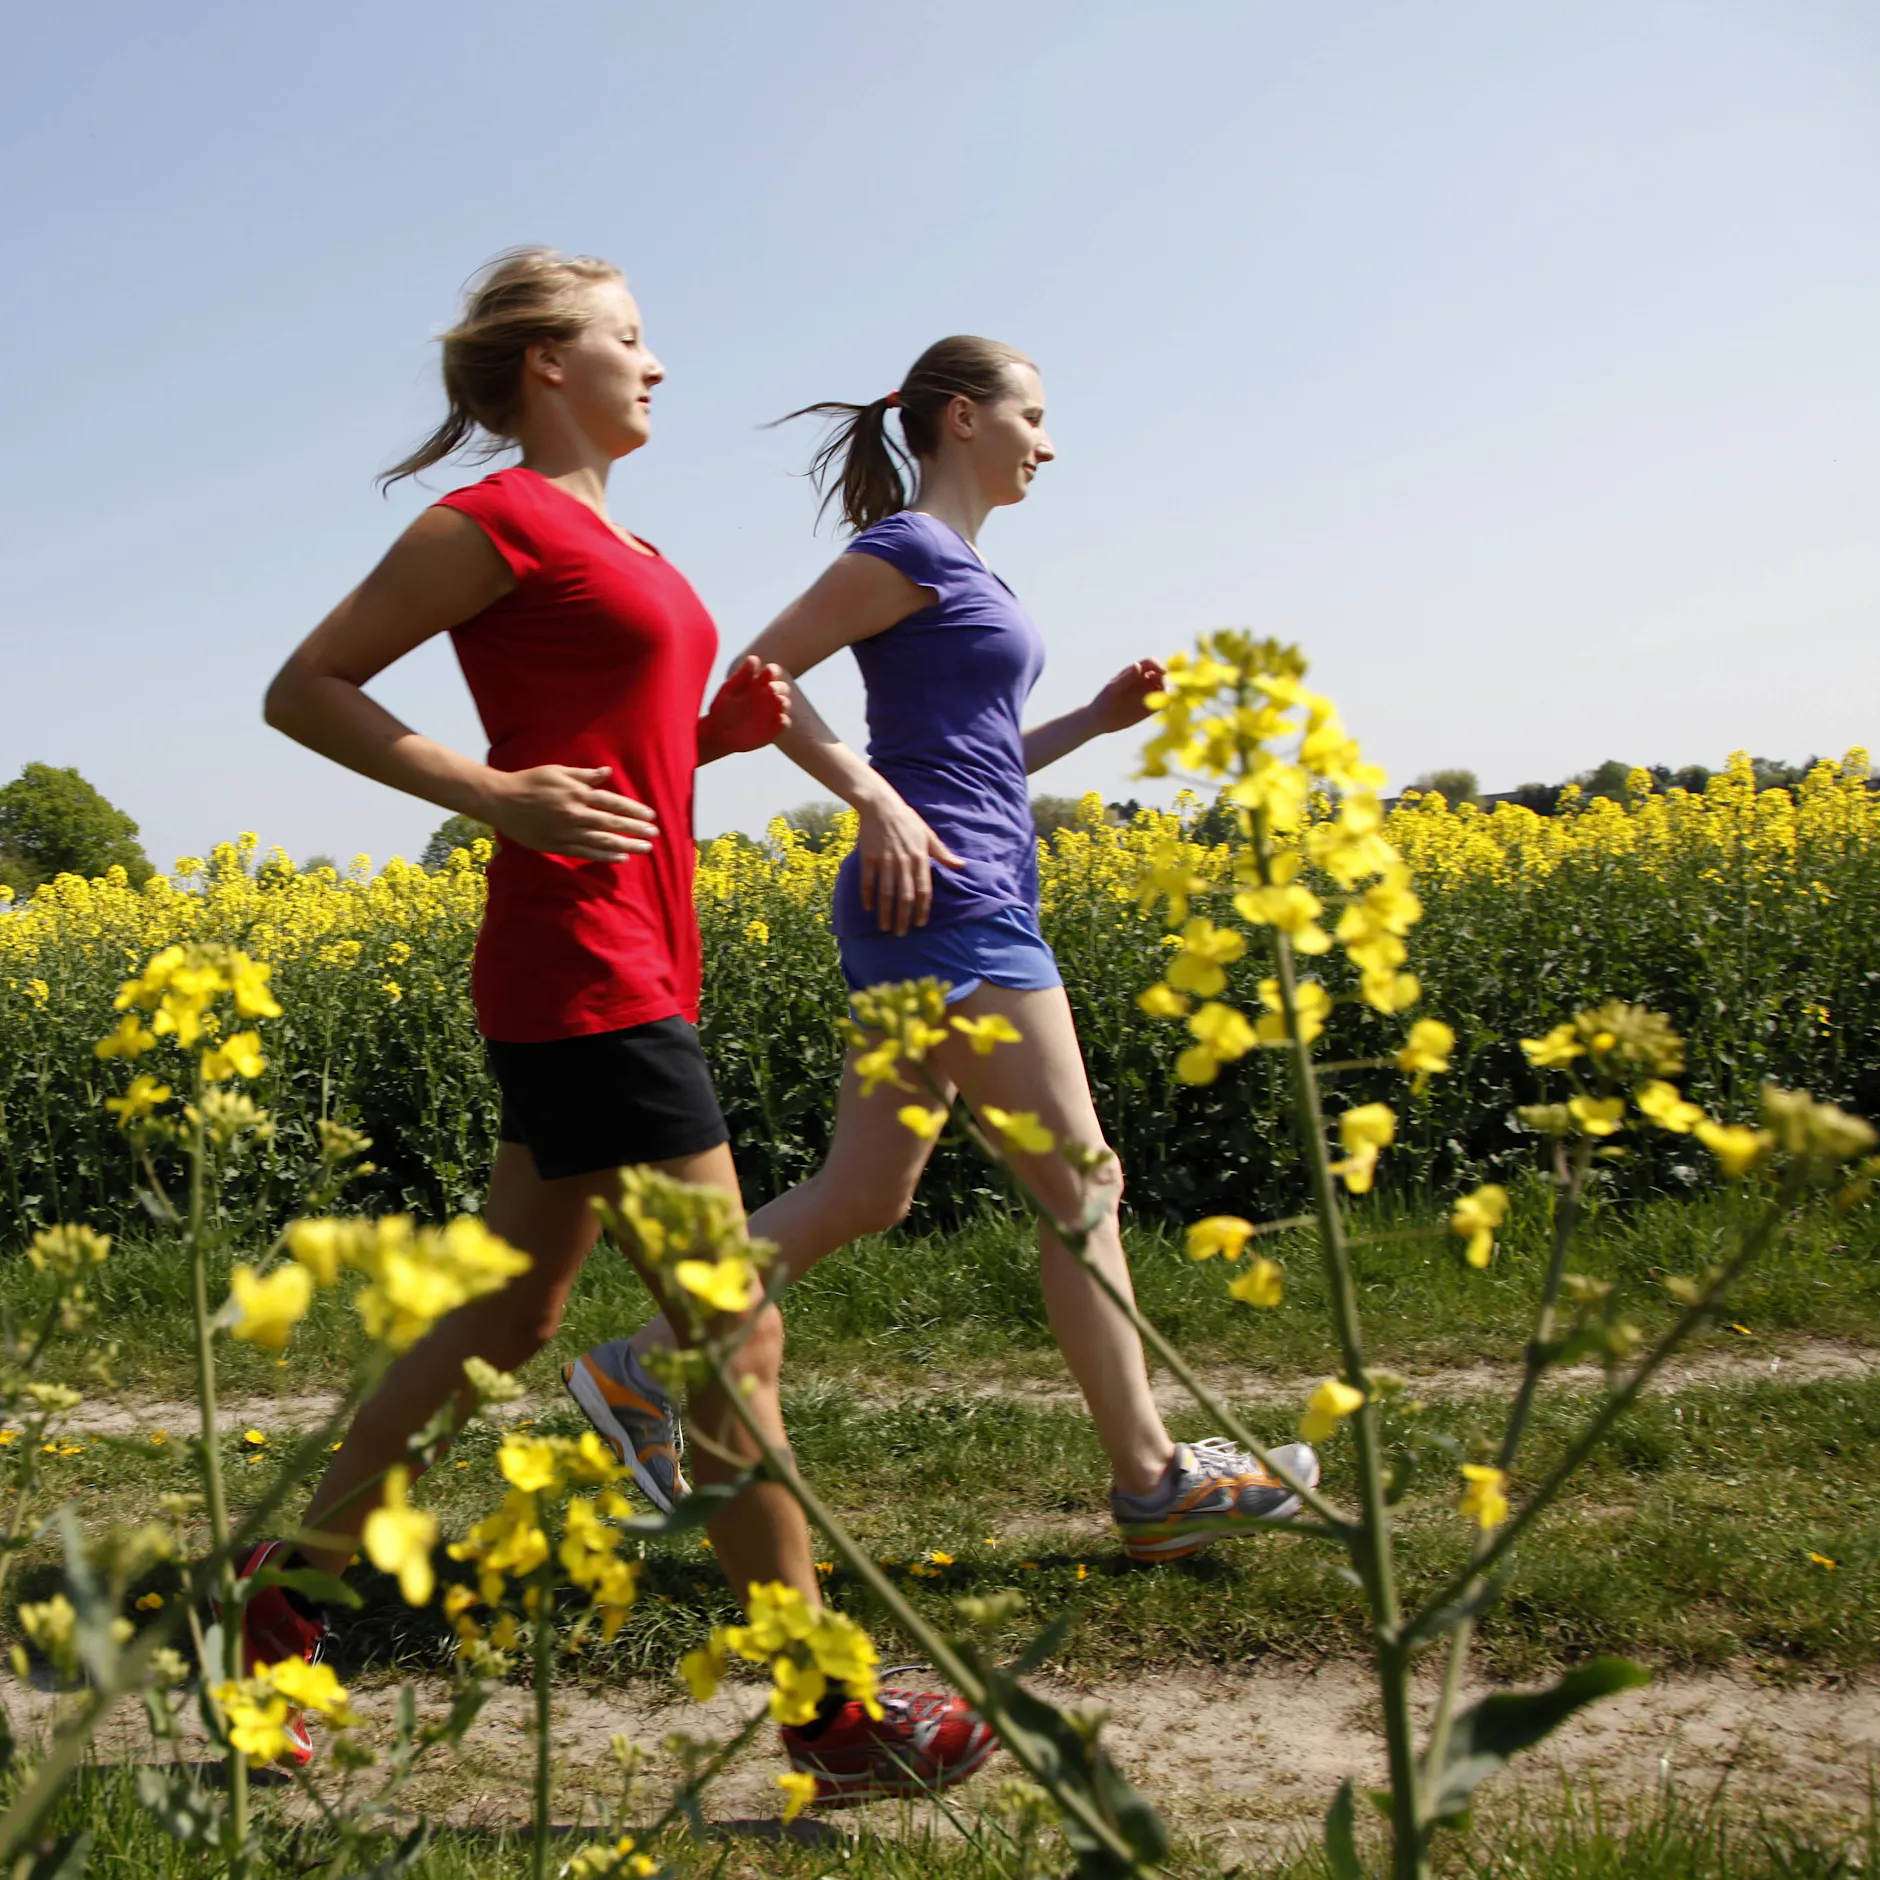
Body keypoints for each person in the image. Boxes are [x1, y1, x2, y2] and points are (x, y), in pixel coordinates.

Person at [252, 250, 994, 1800]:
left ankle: (279, 1595)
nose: (656, 365)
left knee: (515, 1320)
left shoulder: (620, 538)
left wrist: (711, 738)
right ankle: (827, 1712)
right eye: (630, 339)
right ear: (545, 364)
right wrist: (489, 791)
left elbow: (623, 755)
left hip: (634, 956)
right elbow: (306, 687)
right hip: (582, 968)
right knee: (733, 1331)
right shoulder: (496, 522)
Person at [569, 335, 1318, 1565]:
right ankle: (1151, 1482)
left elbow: (970, 766)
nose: (1049, 439)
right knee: (1082, 1185)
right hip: (950, 905)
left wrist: (1089, 719)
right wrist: (869, 798)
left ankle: (643, 1368)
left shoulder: (964, 567)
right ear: (963, 418)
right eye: (1034, 414)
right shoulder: (905, 549)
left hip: (946, 895)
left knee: (867, 1192)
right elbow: (760, 672)